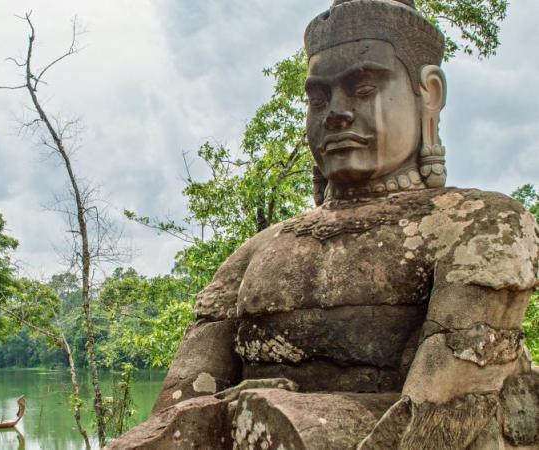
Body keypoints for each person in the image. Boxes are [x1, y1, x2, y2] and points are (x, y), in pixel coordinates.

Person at [109, 1, 538, 448]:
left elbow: (440, 414)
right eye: (319, 98)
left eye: (363, 88)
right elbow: (177, 412)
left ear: (428, 92)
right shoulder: (257, 251)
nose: (336, 112)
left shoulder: (481, 227)